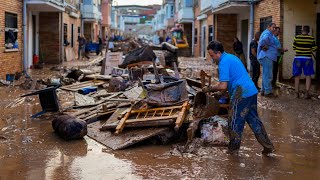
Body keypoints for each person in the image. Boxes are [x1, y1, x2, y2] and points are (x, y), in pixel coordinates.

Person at [203, 40, 275, 155]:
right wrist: (219, 94)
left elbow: (223, 85)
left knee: (234, 121)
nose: (212, 58)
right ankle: (268, 146)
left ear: (218, 53)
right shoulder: (231, 57)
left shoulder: (223, 63)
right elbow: (230, 82)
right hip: (251, 91)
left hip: (241, 93)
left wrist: (209, 88)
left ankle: (233, 151)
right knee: (254, 120)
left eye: (212, 56)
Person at [292, 25, 318, 99]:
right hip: (308, 59)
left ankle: (296, 93)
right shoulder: (311, 38)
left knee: (297, 76)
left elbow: (294, 47)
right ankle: (307, 94)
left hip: (298, 59)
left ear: (302, 30)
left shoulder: (297, 37)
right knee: (308, 75)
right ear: (308, 31)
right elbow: (314, 49)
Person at [257, 23, 278, 97]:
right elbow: (264, 40)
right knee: (268, 75)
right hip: (267, 56)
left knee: (265, 74)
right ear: (268, 27)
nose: (274, 29)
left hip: (266, 56)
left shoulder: (268, 33)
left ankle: (263, 90)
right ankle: (268, 92)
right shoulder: (267, 33)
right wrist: (263, 46)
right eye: (273, 27)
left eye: (275, 28)